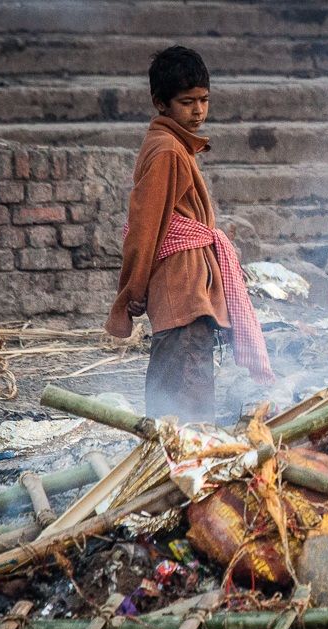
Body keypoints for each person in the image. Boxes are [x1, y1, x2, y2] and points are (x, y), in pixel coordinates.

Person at [105, 45, 273, 423]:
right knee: (187, 395)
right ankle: (184, 464)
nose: (198, 111)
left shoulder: (174, 146)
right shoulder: (168, 150)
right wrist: (134, 288)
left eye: (204, 100)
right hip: (184, 288)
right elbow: (145, 227)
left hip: (185, 287)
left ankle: (173, 456)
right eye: (186, 102)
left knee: (176, 380)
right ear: (160, 103)